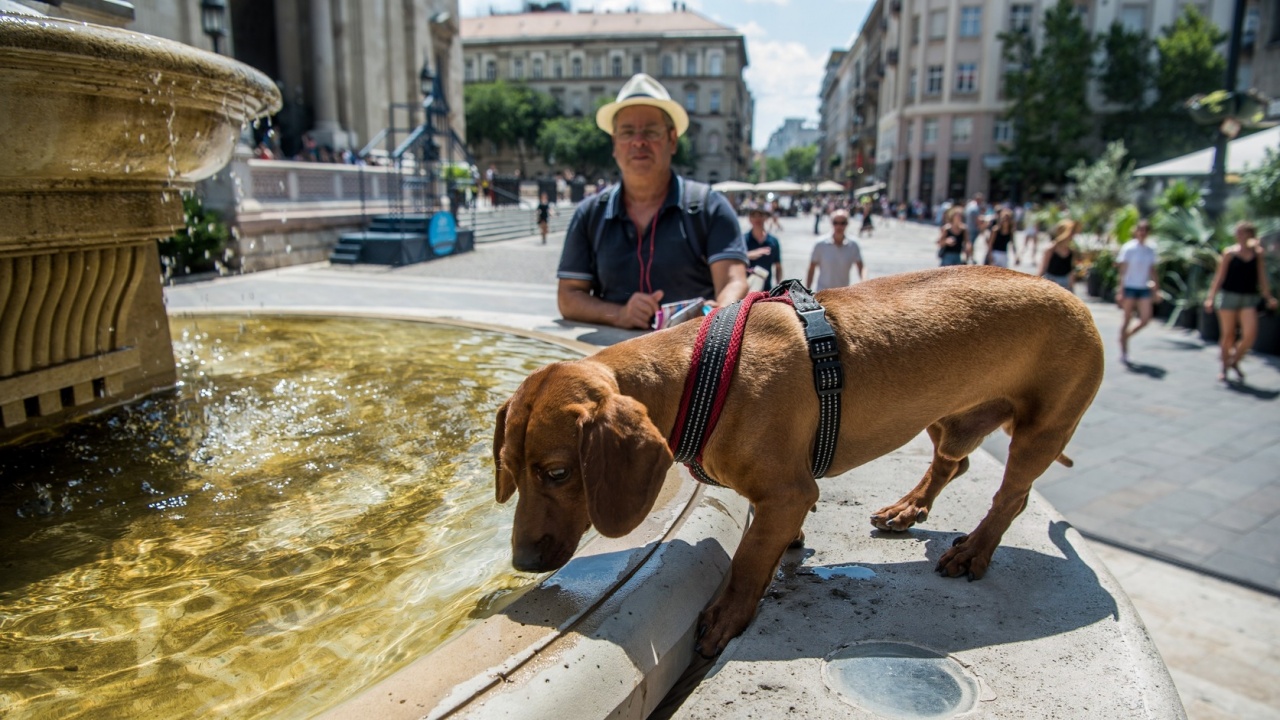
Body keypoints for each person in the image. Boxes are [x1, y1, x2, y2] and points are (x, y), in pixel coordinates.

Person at [556, 74, 748, 330]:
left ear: (672, 140)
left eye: (650, 131)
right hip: (611, 362)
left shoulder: (709, 207)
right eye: (627, 132)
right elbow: (568, 297)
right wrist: (620, 314)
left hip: (689, 360)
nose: (638, 141)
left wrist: (717, 317)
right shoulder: (589, 213)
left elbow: (734, 283)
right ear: (614, 144)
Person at [1203, 221, 1279, 382]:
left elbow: (1262, 277)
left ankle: (1234, 360)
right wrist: (1210, 298)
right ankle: (1224, 367)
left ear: (1250, 235)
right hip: (1229, 296)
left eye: (1243, 232)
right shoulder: (1229, 253)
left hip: (1248, 298)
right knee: (1228, 334)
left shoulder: (1257, 254)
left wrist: (1268, 297)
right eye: (1238, 232)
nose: (1240, 236)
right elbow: (1219, 277)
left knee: (1250, 334)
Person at [1115, 218, 1161, 365]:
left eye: (1145, 231)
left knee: (1146, 319)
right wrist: (1120, 290)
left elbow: (1153, 270)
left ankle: (1126, 336)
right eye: (1140, 230)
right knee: (1127, 318)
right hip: (1129, 287)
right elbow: (1123, 271)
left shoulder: (1150, 249)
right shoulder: (1129, 248)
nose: (1142, 233)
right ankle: (1124, 351)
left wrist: (1157, 288)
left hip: (1143, 287)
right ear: (1136, 231)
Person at [806, 209, 865, 291]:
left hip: (842, 295)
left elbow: (861, 267)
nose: (839, 226)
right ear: (831, 223)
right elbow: (812, 267)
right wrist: (807, 290)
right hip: (823, 293)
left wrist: (865, 283)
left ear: (847, 224)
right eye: (835, 223)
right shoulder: (820, 244)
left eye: (842, 223)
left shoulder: (853, 245)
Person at [744, 206, 783, 291]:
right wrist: (749, 254)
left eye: (760, 215)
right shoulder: (743, 240)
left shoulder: (773, 241)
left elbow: (778, 266)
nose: (757, 218)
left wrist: (778, 286)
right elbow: (734, 261)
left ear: (765, 218)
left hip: (766, 289)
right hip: (746, 288)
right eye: (754, 215)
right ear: (750, 219)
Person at [1038, 219, 1077, 290]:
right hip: (1051, 282)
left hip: (1065, 284)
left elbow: (1070, 271)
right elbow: (1043, 268)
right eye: (1071, 232)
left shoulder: (1071, 251)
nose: (1073, 235)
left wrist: (1072, 288)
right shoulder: (1051, 249)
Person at [963, 193, 984, 264]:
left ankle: (970, 257)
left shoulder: (969, 205)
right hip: (973, 229)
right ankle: (967, 258)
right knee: (970, 244)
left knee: (969, 243)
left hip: (968, 227)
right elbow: (977, 220)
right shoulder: (975, 208)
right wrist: (981, 228)